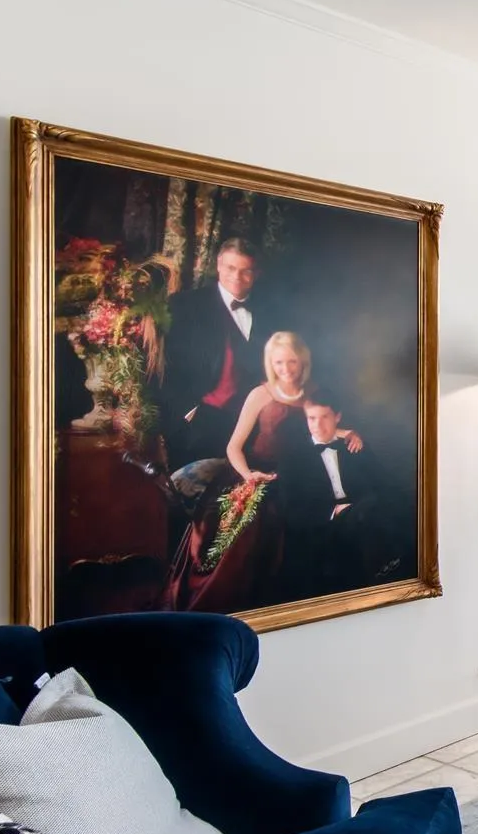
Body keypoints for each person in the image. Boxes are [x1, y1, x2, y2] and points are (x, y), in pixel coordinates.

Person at [167, 331, 353, 612]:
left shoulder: (315, 393)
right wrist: (248, 476)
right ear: (270, 363)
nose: (286, 369)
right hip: (254, 473)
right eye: (279, 363)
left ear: (303, 362)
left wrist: (346, 432)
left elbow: (321, 431)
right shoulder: (260, 394)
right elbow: (234, 447)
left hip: (301, 474)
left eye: (292, 362)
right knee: (258, 518)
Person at [159, 236, 274, 468]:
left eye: (246, 271)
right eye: (230, 268)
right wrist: (188, 411)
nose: (237, 277)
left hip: (250, 429)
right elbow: (165, 364)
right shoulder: (184, 305)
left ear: (257, 274)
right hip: (198, 424)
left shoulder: (272, 311)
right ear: (218, 264)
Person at [278, 385, 399, 598]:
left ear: (337, 417)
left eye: (324, 417)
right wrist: (333, 511)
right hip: (323, 527)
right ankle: (382, 571)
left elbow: (385, 485)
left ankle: (387, 580)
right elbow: (291, 511)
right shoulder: (293, 459)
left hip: (364, 516)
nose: (317, 425)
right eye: (312, 418)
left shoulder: (355, 446)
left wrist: (359, 507)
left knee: (372, 514)